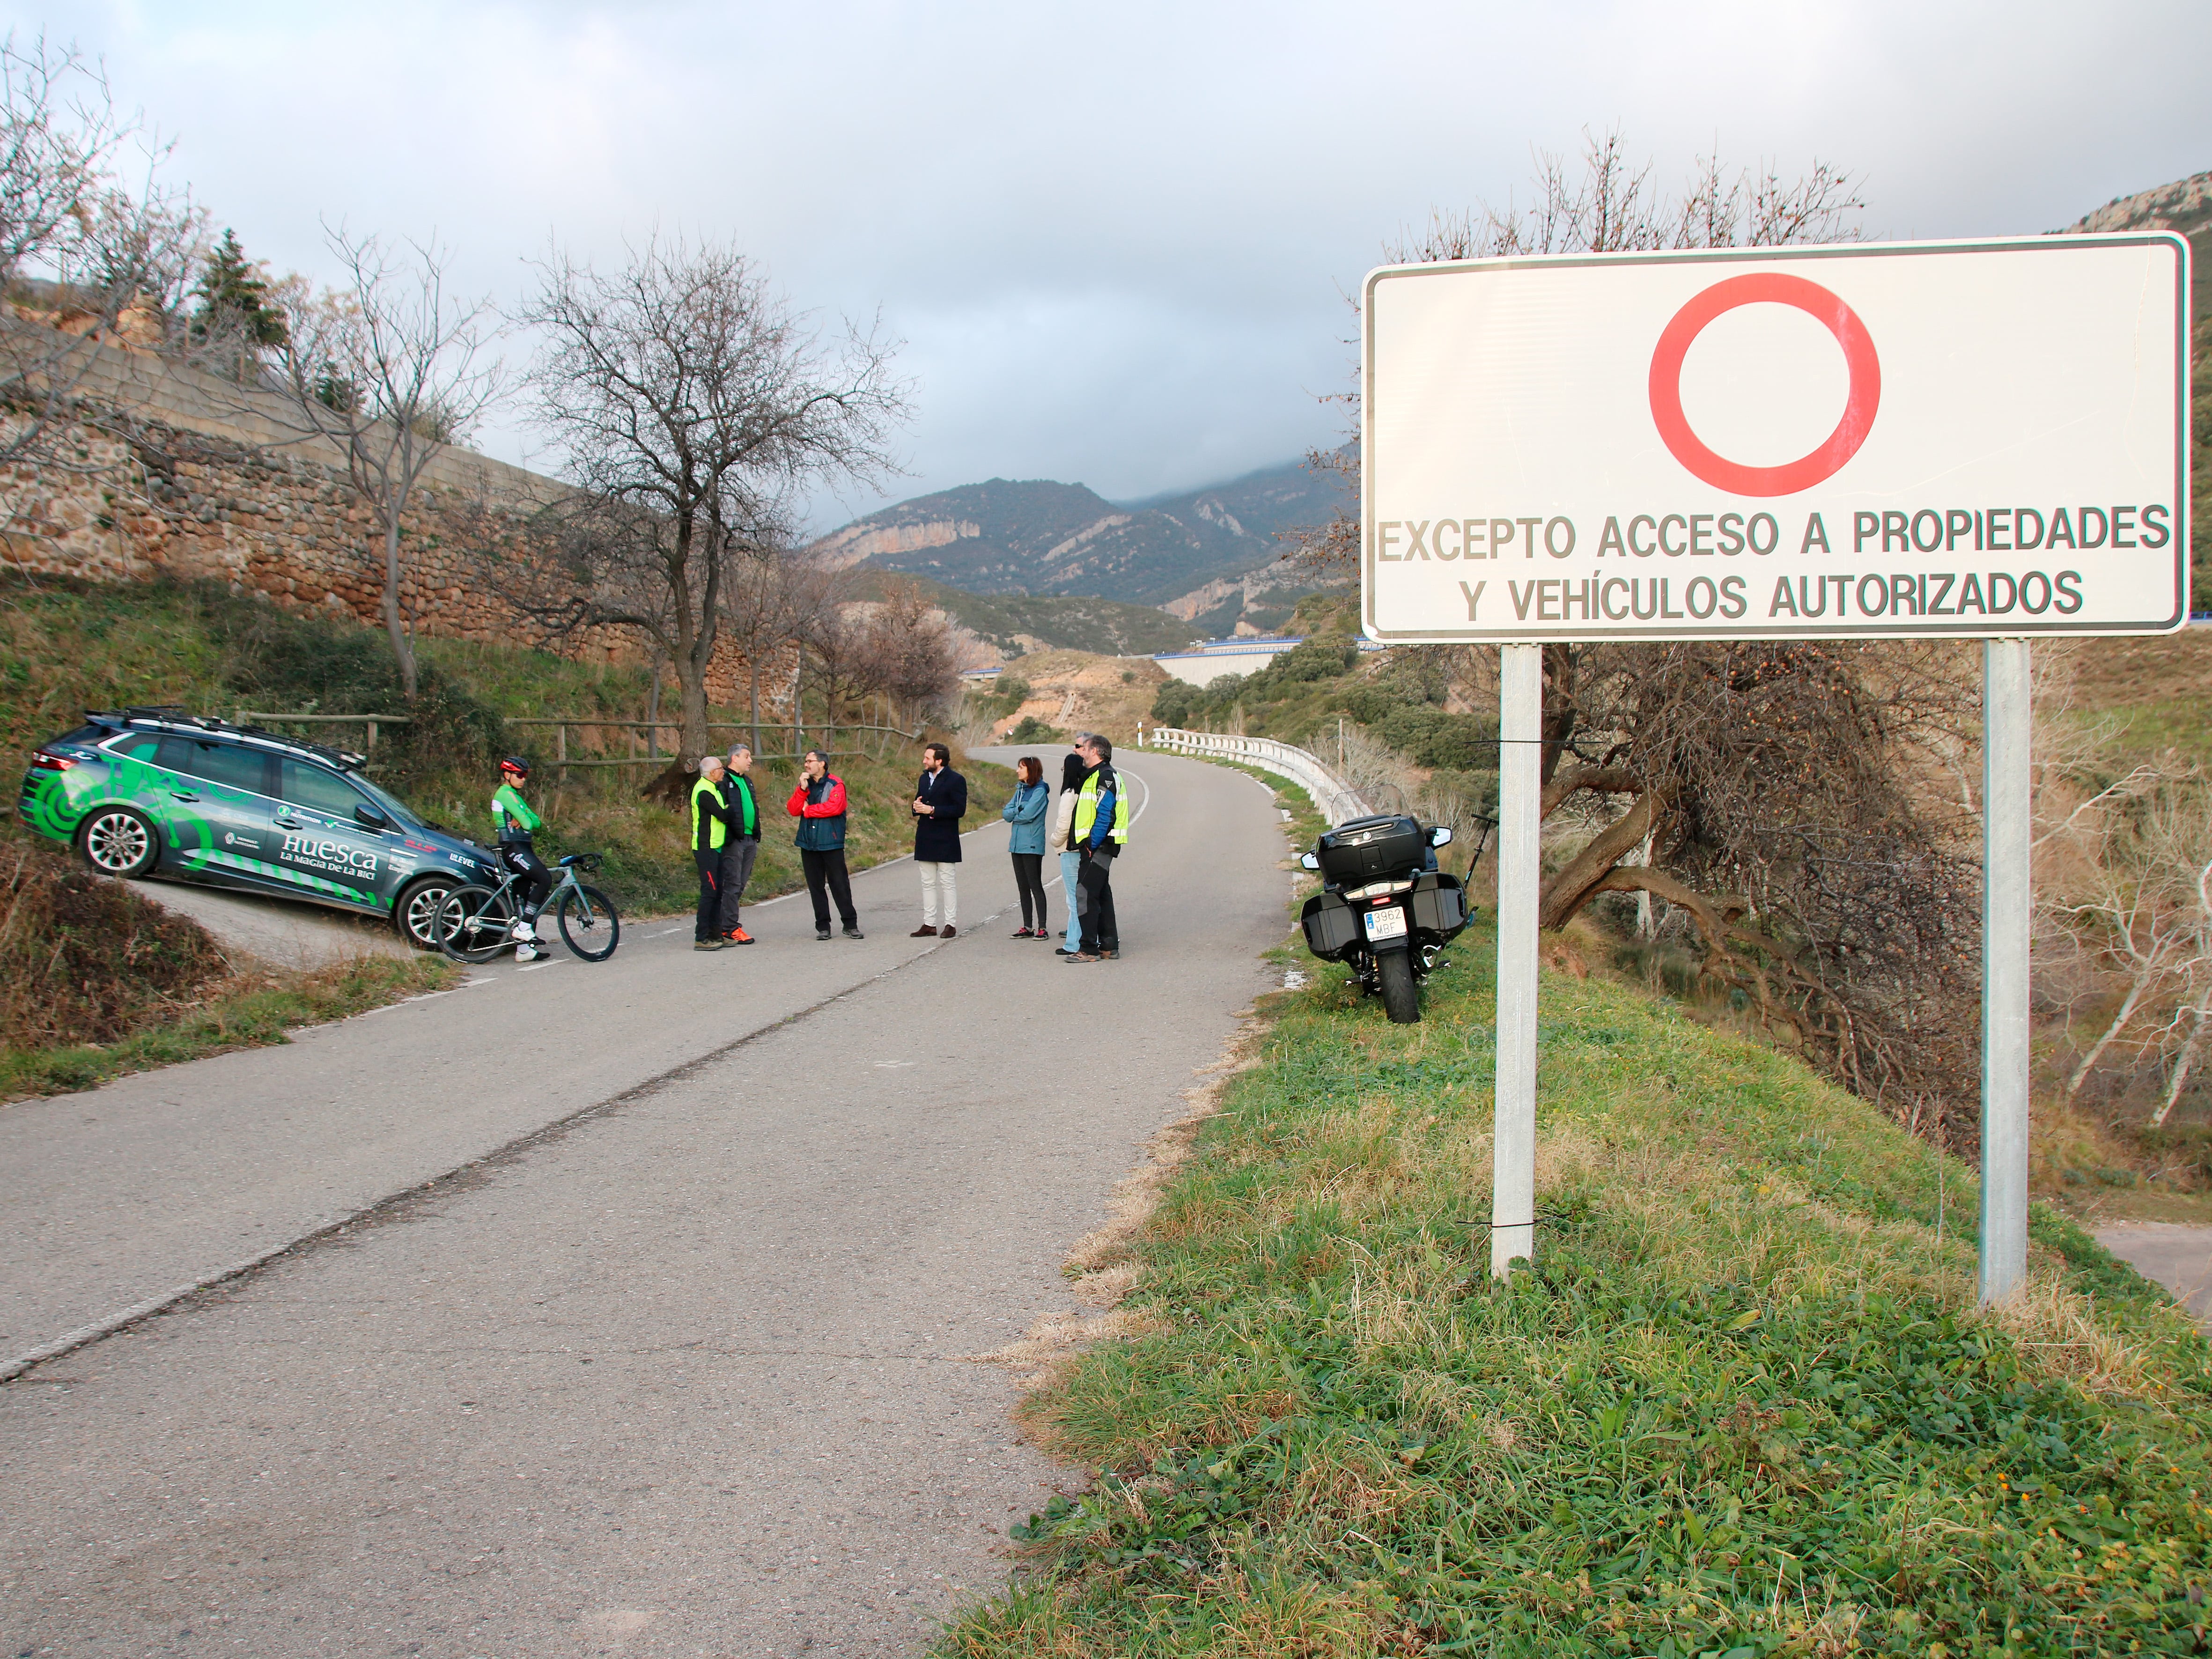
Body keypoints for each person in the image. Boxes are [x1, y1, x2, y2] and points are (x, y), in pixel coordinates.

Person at [1065, 733, 1129, 964]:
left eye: (1085, 748)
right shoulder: (1097, 776)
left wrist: (1093, 843)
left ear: (1096, 751)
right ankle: (1109, 946)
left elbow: (1105, 813)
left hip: (1099, 845)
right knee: (1101, 894)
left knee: (1084, 892)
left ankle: (1089, 949)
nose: (1081, 752)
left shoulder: (1106, 777)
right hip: (1097, 845)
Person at [788, 748, 863, 941]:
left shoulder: (836, 784)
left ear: (822, 763)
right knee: (816, 886)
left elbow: (835, 807)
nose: (806, 765)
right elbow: (793, 809)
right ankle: (823, 927)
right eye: (805, 761)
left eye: (810, 761)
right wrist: (802, 789)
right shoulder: (805, 786)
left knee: (840, 884)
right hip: (809, 843)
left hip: (831, 842)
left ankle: (850, 924)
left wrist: (809, 810)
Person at [491, 755, 553, 963]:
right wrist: (525, 818)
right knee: (545, 879)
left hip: (523, 847)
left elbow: (536, 822)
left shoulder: (514, 795)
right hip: (514, 848)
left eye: (525, 775)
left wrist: (527, 818)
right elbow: (528, 823)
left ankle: (524, 950)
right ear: (507, 775)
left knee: (524, 899)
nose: (523, 779)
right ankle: (525, 927)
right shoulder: (505, 794)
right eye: (520, 775)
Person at [910, 740, 966, 938]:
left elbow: (960, 810)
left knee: (947, 882)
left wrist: (934, 810)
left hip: (945, 837)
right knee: (927, 883)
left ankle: (950, 924)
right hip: (925, 835)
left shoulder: (956, 780)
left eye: (928, 758)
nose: (924, 761)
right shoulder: (924, 779)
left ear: (939, 760)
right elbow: (919, 800)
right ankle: (929, 923)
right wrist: (916, 807)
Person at [1001, 755, 1051, 936]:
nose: (1018, 770)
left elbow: (1028, 815)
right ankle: (1027, 926)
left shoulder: (1040, 791)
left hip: (1031, 844)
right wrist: (1017, 811)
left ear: (1031, 770)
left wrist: (1017, 812)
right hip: (1016, 845)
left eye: (1021, 767)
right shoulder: (1020, 790)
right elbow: (1006, 814)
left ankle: (1043, 928)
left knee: (1035, 885)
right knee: (1023, 886)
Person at [717, 742, 762, 944]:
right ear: (735, 758)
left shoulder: (747, 781)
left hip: (750, 839)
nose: (750, 760)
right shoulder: (724, 780)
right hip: (734, 840)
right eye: (747, 756)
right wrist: (732, 833)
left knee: (740, 884)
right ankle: (729, 928)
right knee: (732, 884)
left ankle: (724, 924)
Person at [690, 755, 733, 952]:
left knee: (718, 892)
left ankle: (716, 934)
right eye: (721, 768)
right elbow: (722, 815)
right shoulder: (704, 790)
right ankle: (702, 937)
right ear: (712, 772)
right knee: (710, 892)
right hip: (705, 848)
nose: (723, 771)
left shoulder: (713, 787)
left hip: (716, 846)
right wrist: (730, 810)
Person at [1049, 746, 1086, 955]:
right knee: (1082, 895)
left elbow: (1064, 824)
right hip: (1083, 848)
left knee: (1073, 898)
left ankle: (1074, 943)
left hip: (1069, 849)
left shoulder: (1069, 794)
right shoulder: (1086, 792)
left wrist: (1055, 841)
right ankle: (1087, 937)